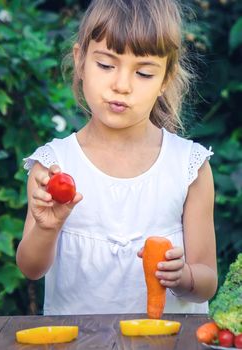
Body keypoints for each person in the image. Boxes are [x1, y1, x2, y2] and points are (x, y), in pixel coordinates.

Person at [16, 0, 218, 316]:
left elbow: (207, 280)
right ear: (80, 60)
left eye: (144, 73)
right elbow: (31, 268)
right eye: (106, 65)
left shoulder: (189, 167)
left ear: (165, 79)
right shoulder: (53, 166)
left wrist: (184, 277)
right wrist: (46, 227)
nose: (121, 85)